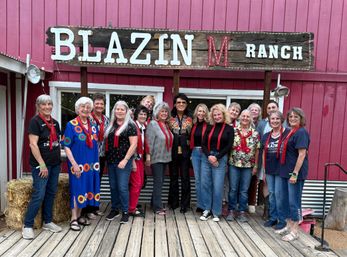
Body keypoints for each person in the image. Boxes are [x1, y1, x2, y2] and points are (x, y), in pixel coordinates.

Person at [22, 94, 62, 239]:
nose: (47, 107)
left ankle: (48, 221)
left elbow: (57, 142)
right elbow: (33, 144)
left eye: (49, 104)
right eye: (44, 104)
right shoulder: (35, 121)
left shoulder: (55, 123)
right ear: (38, 106)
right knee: (39, 194)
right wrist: (42, 165)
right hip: (41, 165)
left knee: (51, 193)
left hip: (55, 164)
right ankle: (27, 225)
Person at [63, 97, 100, 231]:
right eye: (82, 106)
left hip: (91, 165)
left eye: (88, 106)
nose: (85, 109)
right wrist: (73, 164)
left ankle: (79, 216)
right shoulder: (71, 125)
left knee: (85, 189)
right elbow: (66, 146)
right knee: (77, 189)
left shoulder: (93, 126)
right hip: (77, 164)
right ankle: (73, 218)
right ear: (77, 109)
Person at [279, 108, 310, 241]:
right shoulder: (290, 131)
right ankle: (288, 225)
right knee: (286, 200)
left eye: (295, 117)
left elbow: (302, 154)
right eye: (290, 116)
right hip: (286, 171)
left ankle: (295, 231)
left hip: (295, 173)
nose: (292, 119)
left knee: (294, 202)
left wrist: (295, 173)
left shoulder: (301, 132)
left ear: (301, 118)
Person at [104, 101, 138, 224]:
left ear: (126, 111)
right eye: (117, 109)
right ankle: (115, 209)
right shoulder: (111, 125)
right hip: (111, 161)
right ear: (114, 111)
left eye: (122, 109)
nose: (119, 111)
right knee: (113, 187)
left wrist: (126, 160)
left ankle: (125, 211)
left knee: (122, 187)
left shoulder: (130, 125)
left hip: (123, 161)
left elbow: (134, 145)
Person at [200, 104, 234, 222]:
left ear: (223, 114)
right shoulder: (209, 127)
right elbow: (203, 143)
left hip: (220, 157)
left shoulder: (229, 129)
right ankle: (207, 209)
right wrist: (209, 156)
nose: (217, 117)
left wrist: (217, 157)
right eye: (214, 115)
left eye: (219, 114)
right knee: (205, 184)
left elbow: (229, 146)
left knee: (218, 186)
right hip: (206, 157)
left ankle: (216, 211)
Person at [227, 109, 260, 223]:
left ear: (251, 118)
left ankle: (242, 211)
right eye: (243, 116)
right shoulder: (233, 130)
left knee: (244, 190)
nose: (245, 118)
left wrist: (256, 166)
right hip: (233, 164)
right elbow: (228, 147)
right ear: (240, 117)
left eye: (247, 116)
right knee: (233, 189)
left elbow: (257, 151)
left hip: (248, 165)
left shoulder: (255, 133)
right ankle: (231, 210)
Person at [261, 111, 289, 230]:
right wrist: (264, 169)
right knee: (271, 193)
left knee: (279, 194)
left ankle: (282, 219)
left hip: (281, 169)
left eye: (277, 119)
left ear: (281, 120)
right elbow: (263, 153)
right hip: (269, 169)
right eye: (272, 119)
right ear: (269, 120)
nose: (275, 121)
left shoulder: (287, 134)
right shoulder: (266, 135)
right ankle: (273, 218)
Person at [82, 93, 109, 219]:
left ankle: (95, 207)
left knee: (97, 182)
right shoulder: (88, 119)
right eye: (97, 103)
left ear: (104, 106)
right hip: (90, 156)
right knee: (89, 182)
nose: (99, 106)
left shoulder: (106, 119)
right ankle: (87, 210)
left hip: (102, 155)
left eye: (101, 104)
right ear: (93, 105)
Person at [145, 102, 173, 215]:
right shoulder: (153, 124)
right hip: (156, 158)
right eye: (162, 111)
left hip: (165, 158)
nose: (164, 113)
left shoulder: (166, 125)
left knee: (160, 182)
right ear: (157, 112)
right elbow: (149, 141)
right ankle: (157, 207)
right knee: (158, 182)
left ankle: (154, 203)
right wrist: (148, 156)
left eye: (166, 111)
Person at [168, 93, 193, 213]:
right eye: (178, 102)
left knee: (185, 178)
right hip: (172, 151)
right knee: (173, 177)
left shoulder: (191, 117)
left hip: (186, 151)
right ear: (174, 104)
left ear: (186, 104)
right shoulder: (169, 117)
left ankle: (185, 204)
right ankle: (173, 202)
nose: (181, 104)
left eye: (183, 102)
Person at [128, 105, 149, 216]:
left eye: (145, 114)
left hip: (140, 158)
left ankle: (133, 205)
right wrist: (132, 162)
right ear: (136, 115)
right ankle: (131, 209)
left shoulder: (143, 126)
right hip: (134, 159)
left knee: (139, 183)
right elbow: (130, 145)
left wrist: (148, 155)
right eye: (141, 114)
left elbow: (144, 143)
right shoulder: (133, 126)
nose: (143, 116)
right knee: (136, 184)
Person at [190, 104, 209, 213]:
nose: (201, 113)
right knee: (198, 180)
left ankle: (206, 205)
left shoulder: (209, 125)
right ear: (196, 112)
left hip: (205, 153)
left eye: (203, 111)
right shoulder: (194, 124)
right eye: (199, 111)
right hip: (195, 153)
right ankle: (200, 204)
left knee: (205, 181)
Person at [247, 102, 262, 213]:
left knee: (253, 179)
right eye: (252, 109)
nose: (254, 111)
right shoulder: (244, 121)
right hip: (244, 156)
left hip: (257, 155)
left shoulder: (261, 124)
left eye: (256, 109)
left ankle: (251, 203)